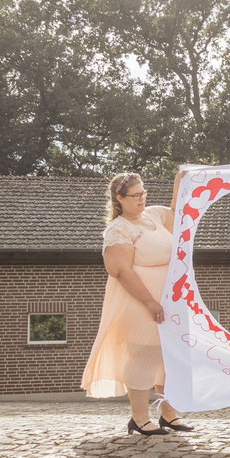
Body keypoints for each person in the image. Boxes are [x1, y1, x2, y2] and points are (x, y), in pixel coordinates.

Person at [81, 171, 194, 436]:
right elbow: (120, 270)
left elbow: (178, 214)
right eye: (135, 195)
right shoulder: (118, 229)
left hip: (168, 301)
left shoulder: (153, 215)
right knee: (142, 355)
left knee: (169, 357)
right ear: (119, 198)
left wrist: (179, 182)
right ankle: (140, 418)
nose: (141, 199)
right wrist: (150, 302)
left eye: (143, 193)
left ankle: (169, 414)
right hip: (139, 301)